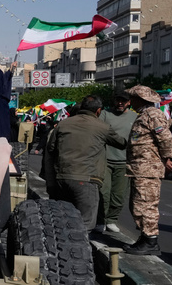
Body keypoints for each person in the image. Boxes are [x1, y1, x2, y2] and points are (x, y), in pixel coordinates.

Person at [46, 96, 126, 231]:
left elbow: (51, 148)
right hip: (87, 178)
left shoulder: (64, 124)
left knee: (62, 218)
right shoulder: (102, 127)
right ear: (99, 111)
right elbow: (121, 143)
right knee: (85, 223)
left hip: (62, 177)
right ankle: (77, 250)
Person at [123, 85, 172, 255]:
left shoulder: (153, 115)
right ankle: (145, 238)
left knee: (145, 205)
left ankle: (150, 241)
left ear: (141, 99)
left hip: (148, 168)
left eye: (133, 99)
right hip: (140, 167)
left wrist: (167, 159)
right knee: (137, 205)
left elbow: (166, 138)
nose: (131, 102)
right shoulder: (144, 115)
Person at [98, 91, 137, 233]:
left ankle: (112, 220)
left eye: (123, 101)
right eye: (117, 100)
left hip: (124, 161)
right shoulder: (105, 114)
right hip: (105, 160)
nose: (120, 103)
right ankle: (100, 220)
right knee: (104, 192)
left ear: (129, 102)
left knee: (119, 195)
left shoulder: (135, 117)